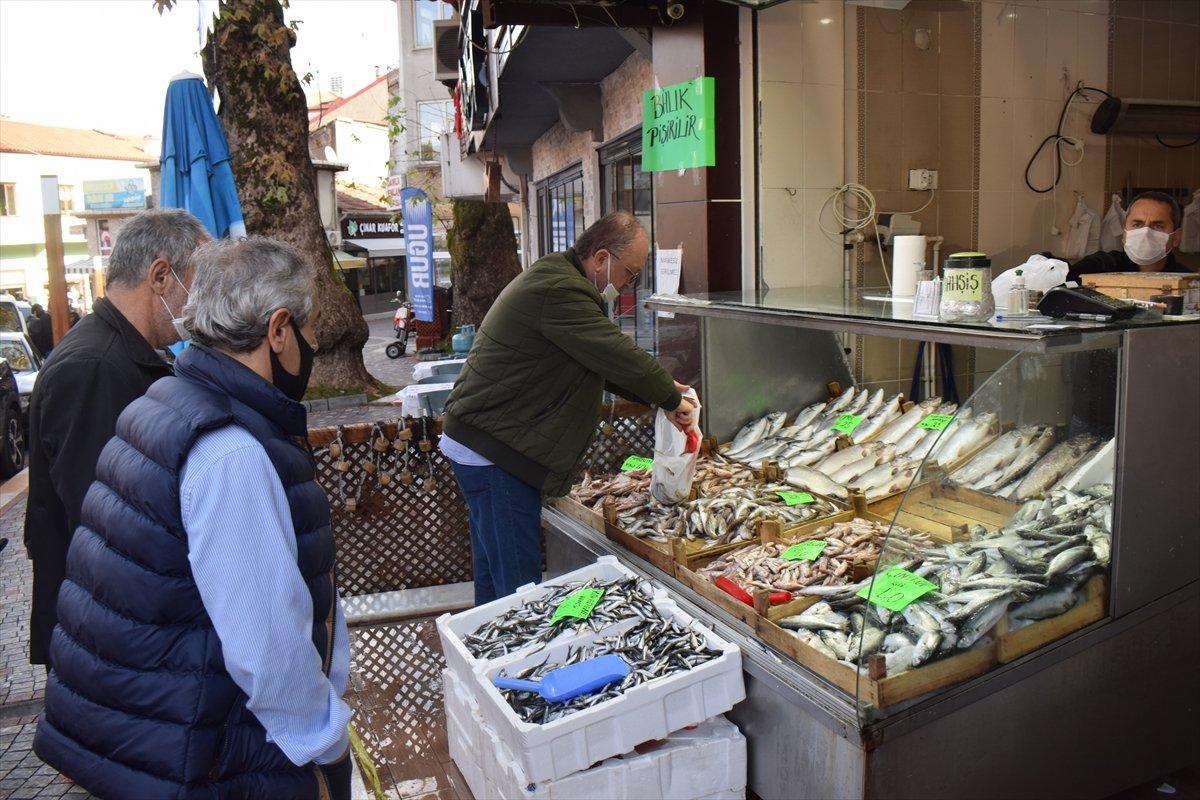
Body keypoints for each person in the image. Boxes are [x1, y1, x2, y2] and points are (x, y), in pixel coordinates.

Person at [34, 236, 353, 800]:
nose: (316, 342)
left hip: (161, 743)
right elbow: (269, 651)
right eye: (308, 329)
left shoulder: (163, 404)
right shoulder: (229, 451)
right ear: (277, 330)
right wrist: (326, 748)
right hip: (211, 759)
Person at [441, 211, 696, 605]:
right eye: (629, 272)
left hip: (487, 446)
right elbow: (614, 352)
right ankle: (517, 663)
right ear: (600, 258)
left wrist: (664, 392)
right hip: (497, 454)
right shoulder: (560, 291)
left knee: (496, 582)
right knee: (518, 594)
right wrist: (670, 397)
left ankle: (489, 661)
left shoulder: (558, 280)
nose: (629, 284)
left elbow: (596, 362)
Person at [23, 208, 208, 670]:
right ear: (161, 277)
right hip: (109, 632)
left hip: (118, 622)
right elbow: (104, 515)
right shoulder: (95, 366)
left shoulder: (122, 354)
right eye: (196, 284)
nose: (197, 303)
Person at [1068, 191, 1195, 282]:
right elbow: (1062, 277)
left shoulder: (1188, 281)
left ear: (1177, 237)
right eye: (1137, 224)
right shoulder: (1101, 266)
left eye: (1157, 226)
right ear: (1124, 233)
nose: (1145, 232)